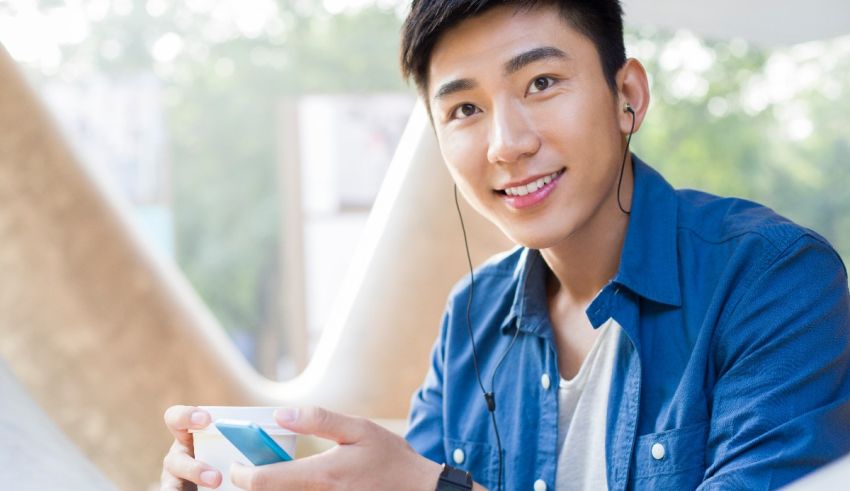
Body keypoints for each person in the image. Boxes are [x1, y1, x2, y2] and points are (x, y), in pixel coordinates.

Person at [161, 1, 850, 490]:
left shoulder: (774, 279)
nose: (506, 144)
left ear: (628, 95)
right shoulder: (473, 314)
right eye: (465, 109)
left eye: (541, 83)